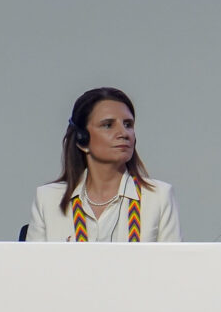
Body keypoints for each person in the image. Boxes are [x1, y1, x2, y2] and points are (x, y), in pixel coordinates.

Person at [26, 87, 181, 242]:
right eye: (108, 125)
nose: (124, 133)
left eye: (128, 124)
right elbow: (31, 265)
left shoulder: (158, 197)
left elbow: (173, 265)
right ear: (82, 139)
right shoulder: (48, 199)